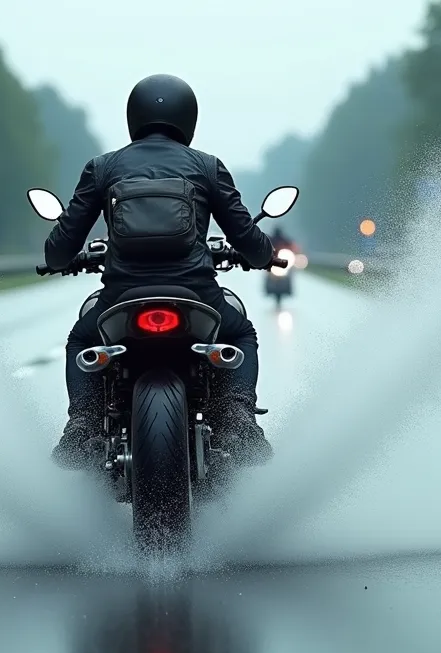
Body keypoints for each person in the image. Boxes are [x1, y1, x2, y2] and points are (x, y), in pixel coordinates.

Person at [43, 73, 276, 470]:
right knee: (241, 333)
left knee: (81, 341)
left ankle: (81, 426)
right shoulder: (207, 166)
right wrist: (263, 254)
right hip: (197, 295)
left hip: (120, 297)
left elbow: (59, 249)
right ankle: (237, 417)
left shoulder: (102, 168)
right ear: (189, 118)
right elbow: (250, 242)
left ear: (133, 115)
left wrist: (64, 260)